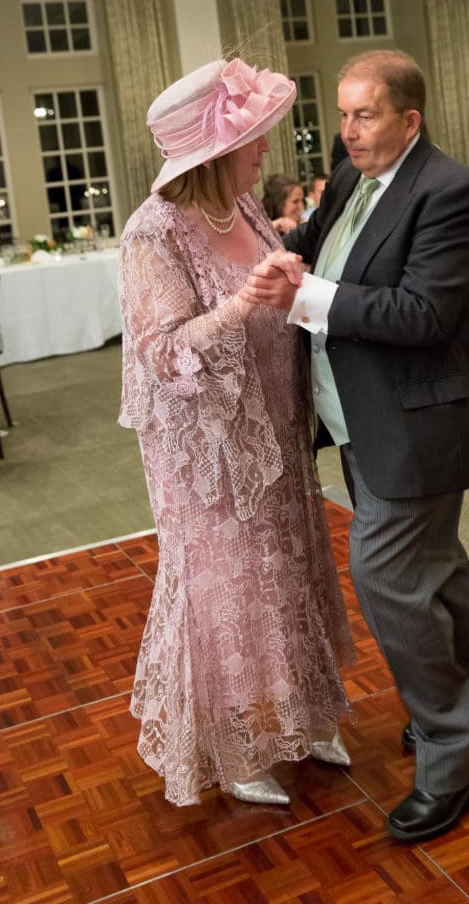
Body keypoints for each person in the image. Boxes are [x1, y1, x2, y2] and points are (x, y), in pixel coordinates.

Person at [240, 50, 469, 842]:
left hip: (415, 423)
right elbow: (313, 242)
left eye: (364, 115)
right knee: (441, 572)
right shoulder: (357, 181)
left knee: (387, 576)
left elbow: (422, 313)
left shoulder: (450, 191)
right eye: (341, 114)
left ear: (409, 119)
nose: (348, 130)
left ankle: (449, 752)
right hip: (361, 422)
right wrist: (274, 256)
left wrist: (308, 294)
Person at [118, 58, 354, 809]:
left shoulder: (245, 205)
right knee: (233, 586)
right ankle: (239, 740)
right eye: (252, 139)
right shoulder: (152, 233)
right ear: (214, 153)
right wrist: (243, 304)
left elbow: (276, 293)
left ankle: (306, 716)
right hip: (208, 450)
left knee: (291, 569)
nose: (263, 152)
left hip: (276, 427)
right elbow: (162, 354)